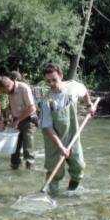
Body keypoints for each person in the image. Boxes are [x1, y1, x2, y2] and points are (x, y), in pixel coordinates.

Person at [40, 63, 96, 195]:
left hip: (73, 135)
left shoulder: (73, 87)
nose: (52, 83)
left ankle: (71, 193)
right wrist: (61, 147)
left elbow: (84, 92)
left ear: (61, 76)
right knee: (56, 173)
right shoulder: (46, 101)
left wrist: (89, 105)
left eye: (54, 79)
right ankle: (51, 197)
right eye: (48, 81)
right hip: (54, 140)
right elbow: (47, 127)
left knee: (79, 167)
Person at [0, 76, 36, 170]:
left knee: (28, 151)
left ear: (8, 85)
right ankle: (14, 171)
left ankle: (30, 172)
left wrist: (18, 120)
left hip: (29, 121)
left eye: (4, 91)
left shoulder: (23, 88)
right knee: (14, 151)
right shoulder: (10, 91)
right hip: (16, 121)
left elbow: (32, 108)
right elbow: (13, 108)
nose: (4, 93)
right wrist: (8, 120)